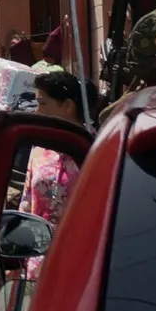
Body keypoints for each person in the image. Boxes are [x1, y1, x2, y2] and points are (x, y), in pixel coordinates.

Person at [22, 67, 94, 235]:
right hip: (41, 246)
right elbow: (27, 202)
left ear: (67, 106)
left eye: (43, 104)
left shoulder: (95, 148)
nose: (37, 111)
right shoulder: (39, 149)